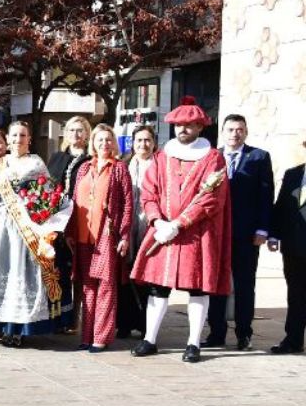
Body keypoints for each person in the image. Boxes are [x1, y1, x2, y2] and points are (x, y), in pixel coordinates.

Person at [130, 100, 231, 364]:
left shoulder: (213, 158)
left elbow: (211, 199)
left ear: (199, 126)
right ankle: (149, 339)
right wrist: (157, 222)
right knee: (158, 288)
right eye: (178, 125)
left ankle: (193, 343)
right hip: (163, 233)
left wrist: (179, 223)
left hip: (197, 235)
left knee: (196, 289)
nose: (182, 129)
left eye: (188, 125)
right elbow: (149, 192)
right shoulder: (162, 156)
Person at [0, 121, 62, 347]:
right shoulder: (0, 163)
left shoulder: (35, 163)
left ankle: (18, 330)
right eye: (14, 136)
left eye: (22, 135)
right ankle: (5, 326)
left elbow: (46, 195)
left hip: (22, 227)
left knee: (19, 273)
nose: (18, 139)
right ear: (8, 139)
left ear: (29, 139)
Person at [206, 113, 274, 351]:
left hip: (246, 234)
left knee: (245, 285)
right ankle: (216, 332)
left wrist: (263, 229)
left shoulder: (259, 157)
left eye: (240, 130)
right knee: (215, 284)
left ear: (245, 132)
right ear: (222, 132)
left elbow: (266, 196)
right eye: (231, 129)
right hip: (216, 235)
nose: (235, 133)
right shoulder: (212, 157)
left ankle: (244, 333)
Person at [67, 124, 133, 353]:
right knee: (87, 288)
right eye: (99, 140)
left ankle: (101, 337)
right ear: (92, 142)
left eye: (108, 140)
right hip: (84, 234)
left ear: (113, 143)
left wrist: (124, 235)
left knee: (105, 286)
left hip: (107, 234)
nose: (104, 144)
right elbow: (75, 201)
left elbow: (127, 204)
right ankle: (86, 336)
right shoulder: (85, 168)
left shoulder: (119, 169)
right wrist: (70, 232)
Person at [46, 116, 93, 335]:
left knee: (77, 272)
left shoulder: (90, 160)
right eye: (72, 129)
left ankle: (74, 319)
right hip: (55, 221)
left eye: (80, 130)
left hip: (80, 219)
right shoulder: (56, 158)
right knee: (57, 269)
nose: (76, 134)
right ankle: (56, 317)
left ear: (86, 134)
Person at [268, 129, 306, 355]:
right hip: (293, 247)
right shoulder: (293, 174)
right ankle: (293, 340)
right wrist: (274, 234)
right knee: (296, 294)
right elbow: (281, 206)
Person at [117, 125, 157, 340]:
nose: (143, 144)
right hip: (127, 225)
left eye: (147, 140)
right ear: (132, 143)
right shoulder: (124, 164)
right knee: (125, 276)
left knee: (146, 277)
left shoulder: (159, 166)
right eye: (139, 140)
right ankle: (124, 323)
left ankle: (145, 324)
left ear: (154, 143)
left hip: (148, 225)